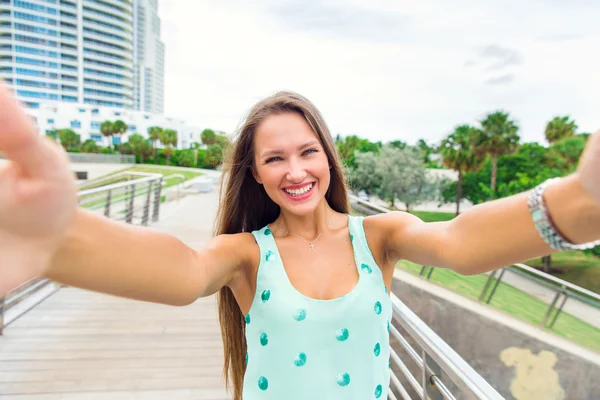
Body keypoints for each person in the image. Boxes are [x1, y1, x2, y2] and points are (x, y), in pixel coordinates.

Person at [0, 83, 599, 400]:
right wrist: (56, 240)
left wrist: (580, 201)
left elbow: (464, 243)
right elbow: (181, 270)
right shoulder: (245, 254)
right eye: (275, 157)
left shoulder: (380, 235)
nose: (296, 170)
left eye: (308, 151)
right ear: (255, 174)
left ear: (329, 159)